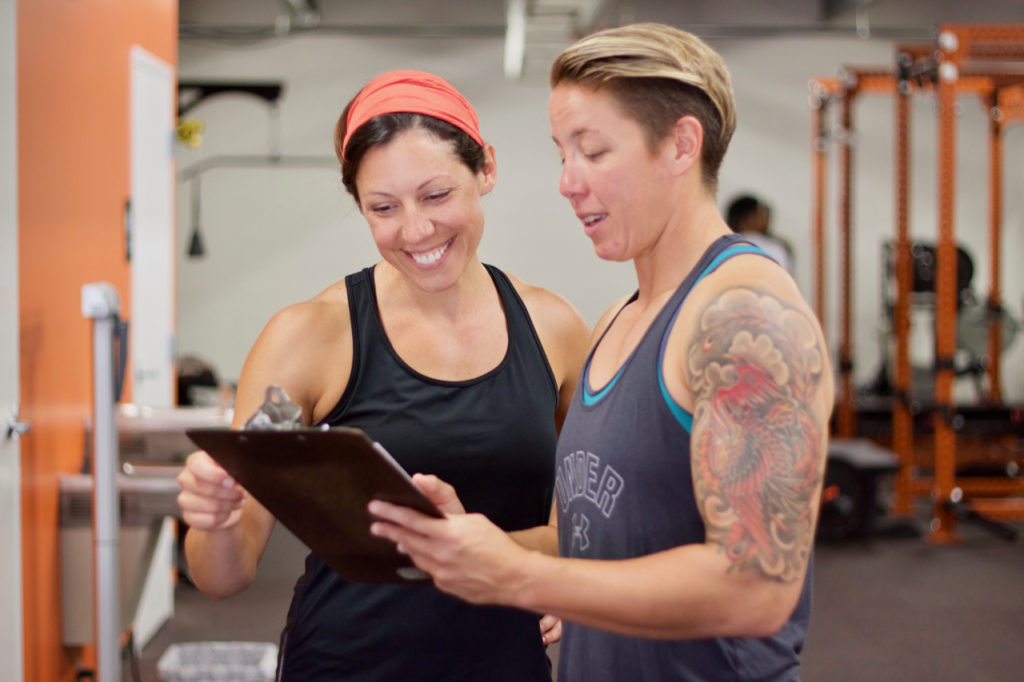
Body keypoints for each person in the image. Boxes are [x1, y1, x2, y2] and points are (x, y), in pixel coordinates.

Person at [368, 24, 834, 681]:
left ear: (681, 145)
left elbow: (757, 588)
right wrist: (471, 545)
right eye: (563, 153)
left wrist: (523, 577)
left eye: (593, 151)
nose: (567, 181)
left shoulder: (743, 317)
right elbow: (596, 540)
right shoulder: (619, 318)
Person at [176, 69, 589, 680]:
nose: (416, 230)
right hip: (345, 663)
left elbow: (584, 520)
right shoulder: (308, 337)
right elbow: (223, 578)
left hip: (506, 664)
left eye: (437, 195)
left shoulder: (555, 328)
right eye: (383, 208)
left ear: (486, 169)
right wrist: (216, 521)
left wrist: (563, 582)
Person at [725, 193, 794, 274]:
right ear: (748, 219)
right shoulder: (773, 249)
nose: (765, 219)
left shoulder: (724, 247)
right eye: (760, 214)